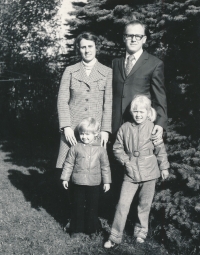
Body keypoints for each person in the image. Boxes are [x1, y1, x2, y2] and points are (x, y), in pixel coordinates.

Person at [104, 95, 169, 248]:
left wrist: (164, 167)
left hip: (150, 172)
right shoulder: (125, 128)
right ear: (132, 112)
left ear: (148, 112)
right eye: (135, 111)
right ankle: (114, 236)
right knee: (122, 204)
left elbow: (160, 149)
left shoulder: (153, 128)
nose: (138, 115)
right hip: (130, 171)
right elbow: (117, 148)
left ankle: (141, 233)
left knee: (144, 205)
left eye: (142, 111)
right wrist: (126, 162)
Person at [56, 32, 112, 169]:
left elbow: (108, 103)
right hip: (73, 130)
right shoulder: (70, 71)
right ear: (79, 49)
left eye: (90, 46)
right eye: (83, 47)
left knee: (93, 169)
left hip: (95, 130)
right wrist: (66, 127)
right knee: (68, 168)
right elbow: (62, 100)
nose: (87, 50)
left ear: (96, 48)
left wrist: (105, 130)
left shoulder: (107, 72)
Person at [112, 20, 167, 141]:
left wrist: (160, 123)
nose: (133, 39)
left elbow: (159, 98)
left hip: (140, 127)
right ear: (123, 38)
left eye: (138, 36)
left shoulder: (155, 64)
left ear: (144, 39)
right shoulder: (114, 63)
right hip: (115, 128)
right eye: (129, 35)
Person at [61, 117, 111, 236]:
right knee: (77, 206)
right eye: (82, 134)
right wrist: (65, 178)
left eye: (88, 134)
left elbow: (105, 166)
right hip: (78, 182)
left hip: (94, 183)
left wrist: (107, 182)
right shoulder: (75, 148)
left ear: (96, 134)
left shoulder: (101, 150)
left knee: (92, 207)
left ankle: (92, 229)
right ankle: (76, 229)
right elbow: (69, 163)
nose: (84, 137)